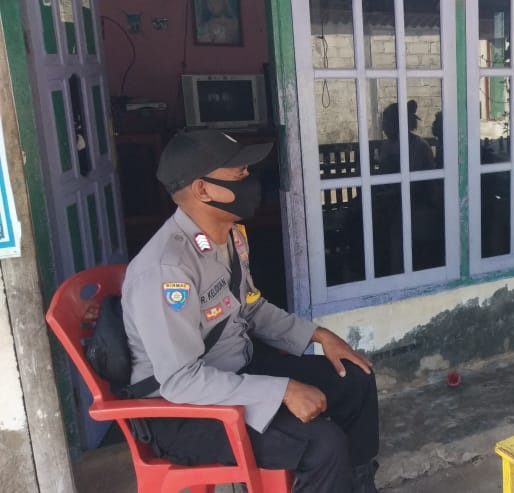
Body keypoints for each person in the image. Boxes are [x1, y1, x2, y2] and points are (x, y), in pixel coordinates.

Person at [122, 129, 380, 492]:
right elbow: (181, 381)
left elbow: (250, 308)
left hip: (238, 372)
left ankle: (357, 485)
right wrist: (282, 391)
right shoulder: (167, 270)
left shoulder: (230, 235)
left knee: (354, 379)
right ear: (203, 189)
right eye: (239, 173)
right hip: (184, 411)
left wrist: (319, 336)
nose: (250, 180)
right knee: (322, 444)